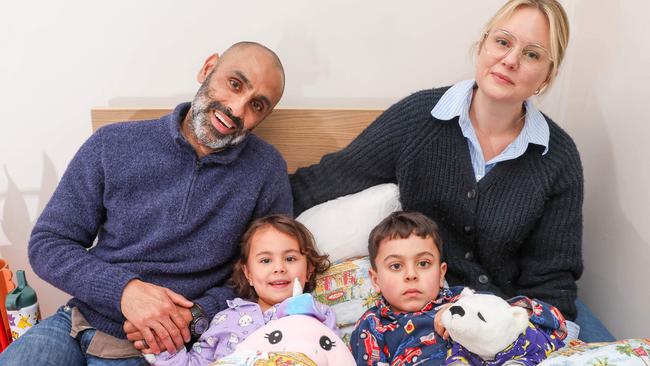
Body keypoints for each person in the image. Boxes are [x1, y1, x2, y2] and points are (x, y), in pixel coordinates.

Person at [291, 0, 613, 341]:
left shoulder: (558, 158)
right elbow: (324, 182)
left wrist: (526, 340)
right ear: (483, 44)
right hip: (427, 319)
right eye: (503, 42)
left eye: (532, 54)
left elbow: (552, 284)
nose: (511, 60)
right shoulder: (417, 119)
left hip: (507, 319)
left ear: (547, 75)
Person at [0, 41, 293, 366]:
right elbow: (48, 243)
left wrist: (195, 315)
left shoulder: (267, 171)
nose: (237, 110)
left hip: (160, 349)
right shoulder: (111, 144)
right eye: (234, 84)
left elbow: (265, 277)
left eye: (257, 105)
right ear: (208, 68)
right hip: (75, 322)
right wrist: (125, 291)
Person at [350, 211, 565, 365]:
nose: (411, 274)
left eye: (423, 263)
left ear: (441, 272)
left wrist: (513, 312)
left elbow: (554, 321)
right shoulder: (372, 326)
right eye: (396, 266)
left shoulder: (464, 299)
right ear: (375, 279)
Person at [139, 214, 335, 365]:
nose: (279, 268)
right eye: (266, 260)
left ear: (309, 270)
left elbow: (335, 357)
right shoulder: (226, 318)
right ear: (248, 273)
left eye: (290, 258)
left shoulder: (319, 315)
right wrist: (164, 346)